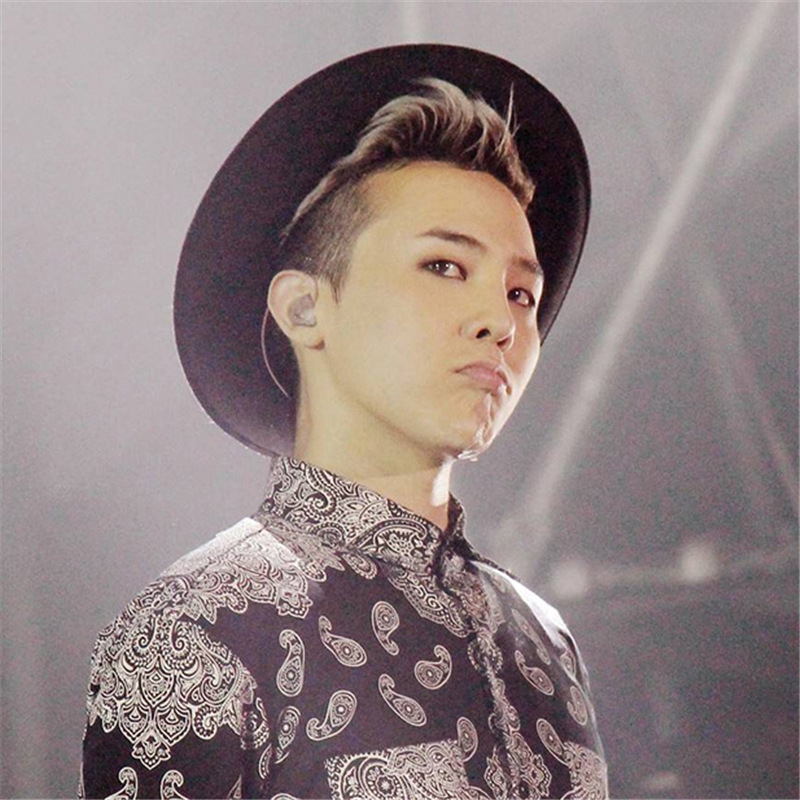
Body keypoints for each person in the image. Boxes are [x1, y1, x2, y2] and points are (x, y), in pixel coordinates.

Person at [79, 45, 607, 799]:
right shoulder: (193, 627)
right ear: (304, 309)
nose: (500, 320)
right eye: (445, 266)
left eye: (521, 293)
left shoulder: (544, 639)